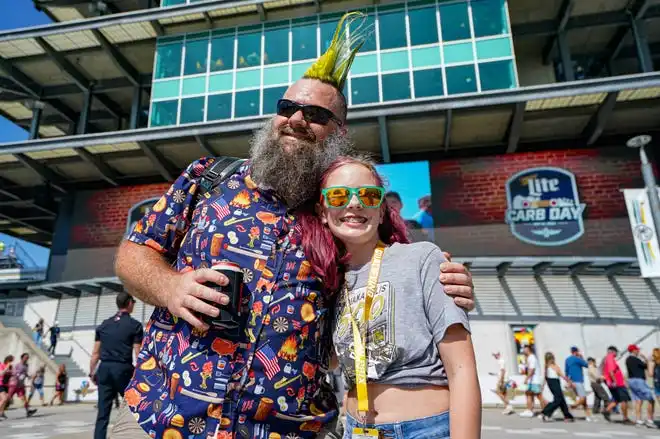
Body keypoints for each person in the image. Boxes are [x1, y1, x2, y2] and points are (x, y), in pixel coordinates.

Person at [111, 11, 475, 439]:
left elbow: (391, 268)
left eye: (316, 114)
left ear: (339, 131)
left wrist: (446, 277)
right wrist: (170, 287)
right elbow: (134, 252)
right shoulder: (209, 178)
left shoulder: (338, 212)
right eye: (288, 107)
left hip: (288, 428)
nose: (298, 119)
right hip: (164, 412)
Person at [303, 156, 480, 439]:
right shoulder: (328, 282)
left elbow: (462, 370)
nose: (354, 203)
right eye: (338, 195)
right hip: (355, 430)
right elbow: (333, 361)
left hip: (424, 430)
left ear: (382, 210)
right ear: (322, 211)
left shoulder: (422, 258)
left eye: (368, 195)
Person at [90, 292, 143, 439]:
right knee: (135, 408)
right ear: (129, 303)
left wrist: (92, 372)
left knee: (102, 414)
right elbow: (138, 353)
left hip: (104, 368)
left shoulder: (104, 325)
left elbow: (95, 353)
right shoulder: (135, 326)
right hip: (123, 369)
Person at [625, 344, 655, 428]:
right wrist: (646, 359)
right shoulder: (635, 359)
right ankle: (649, 420)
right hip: (639, 381)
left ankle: (638, 420)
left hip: (631, 381)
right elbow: (646, 366)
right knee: (651, 399)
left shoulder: (628, 359)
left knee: (638, 400)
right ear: (633, 350)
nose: (638, 351)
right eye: (637, 350)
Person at [0, 353, 37, 418]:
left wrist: (30, 376)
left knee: (24, 398)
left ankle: (28, 411)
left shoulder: (26, 365)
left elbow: (25, 373)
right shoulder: (17, 365)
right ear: (22, 358)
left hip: (20, 385)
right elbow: (13, 373)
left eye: (27, 357)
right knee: (7, 399)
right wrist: (17, 375)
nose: (26, 359)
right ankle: (2, 412)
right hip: (13, 384)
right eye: (25, 357)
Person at [541, 352, 574, 422]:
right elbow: (561, 375)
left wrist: (543, 385)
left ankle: (567, 416)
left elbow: (546, 376)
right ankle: (546, 412)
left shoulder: (548, 366)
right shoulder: (552, 366)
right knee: (558, 399)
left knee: (561, 399)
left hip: (552, 383)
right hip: (554, 382)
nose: (551, 360)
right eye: (550, 358)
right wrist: (569, 381)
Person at [602, 346, 632, 423]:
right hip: (618, 383)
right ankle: (625, 418)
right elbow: (611, 371)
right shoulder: (610, 358)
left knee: (617, 399)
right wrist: (615, 381)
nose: (616, 354)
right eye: (616, 352)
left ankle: (606, 411)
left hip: (611, 383)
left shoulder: (606, 359)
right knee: (624, 400)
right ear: (612, 351)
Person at [565, 346, 592, 421]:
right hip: (578, 381)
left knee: (584, 399)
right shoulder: (577, 359)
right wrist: (581, 357)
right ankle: (570, 408)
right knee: (583, 398)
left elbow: (566, 372)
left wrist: (568, 382)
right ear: (576, 352)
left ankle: (588, 415)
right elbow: (586, 365)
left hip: (572, 382)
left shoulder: (567, 360)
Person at [519, 345, 546, 417]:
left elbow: (532, 370)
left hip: (534, 381)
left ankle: (546, 411)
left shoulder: (532, 358)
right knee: (528, 394)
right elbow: (528, 370)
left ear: (528, 350)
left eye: (525, 349)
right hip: (531, 381)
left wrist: (526, 379)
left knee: (539, 396)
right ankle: (529, 410)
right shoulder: (529, 358)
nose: (523, 351)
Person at [0, 355, 13, 420]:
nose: (11, 362)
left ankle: (1, 413)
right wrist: (6, 368)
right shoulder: (2, 365)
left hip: (5, 384)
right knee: (4, 399)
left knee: (5, 399)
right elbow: (1, 374)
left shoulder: (9, 366)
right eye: (10, 360)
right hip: (0, 384)